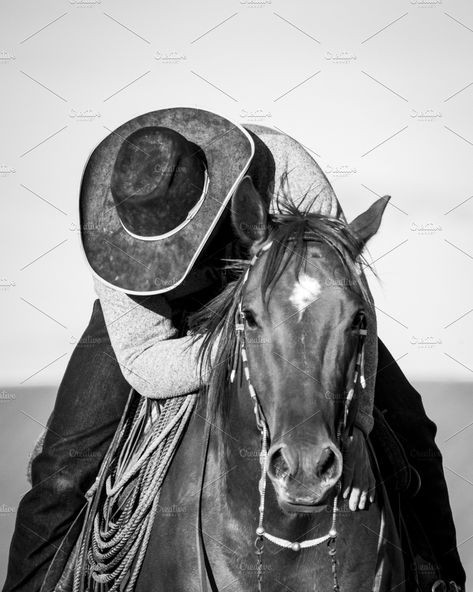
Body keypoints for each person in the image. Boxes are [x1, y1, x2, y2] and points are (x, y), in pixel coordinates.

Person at [2, 108, 465, 592]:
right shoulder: (112, 238)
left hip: (288, 305)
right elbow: (143, 362)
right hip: (182, 327)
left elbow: (342, 284)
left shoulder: (281, 163)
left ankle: (440, 580)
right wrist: (248, 336)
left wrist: (361, 426)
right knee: (60, 470)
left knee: (411, 430)